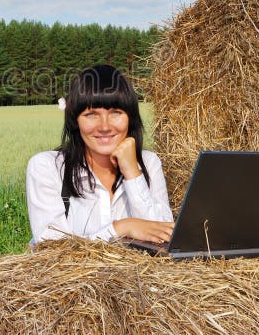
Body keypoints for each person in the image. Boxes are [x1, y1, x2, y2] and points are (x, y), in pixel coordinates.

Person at [26, 64, 174, 244]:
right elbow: (51, 248)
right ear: (75, 121)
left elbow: (164, 237)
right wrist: (120, 228)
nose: (104, 127)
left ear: (130, 117)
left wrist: (132, 172)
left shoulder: (149, 163)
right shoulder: (48, 167)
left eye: (116, 113)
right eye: (91, 114)